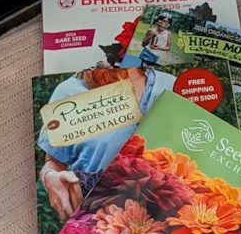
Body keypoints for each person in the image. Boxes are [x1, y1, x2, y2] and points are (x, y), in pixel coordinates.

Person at [38, 64, 177, 221]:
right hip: (96, 223)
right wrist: (49, 177)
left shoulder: (172, 86)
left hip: (167, 223)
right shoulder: (69, 92)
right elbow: (53, 162)